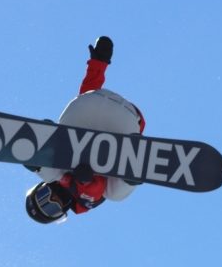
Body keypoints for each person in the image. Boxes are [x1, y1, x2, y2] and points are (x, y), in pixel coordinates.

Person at [24, 35, 146, 224]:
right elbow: (96, 191)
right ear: (63, 213)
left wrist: (99, 61)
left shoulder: (55, 172)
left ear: (41, 187)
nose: (53, 199)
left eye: (43, 196)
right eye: (51, 207)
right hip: (125, 124)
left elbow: (87, 95)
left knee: (57, 165)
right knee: (115, 195)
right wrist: (85, 182)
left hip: (92, 108)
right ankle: (133, 169)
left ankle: (38, 151)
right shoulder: (82, 203)